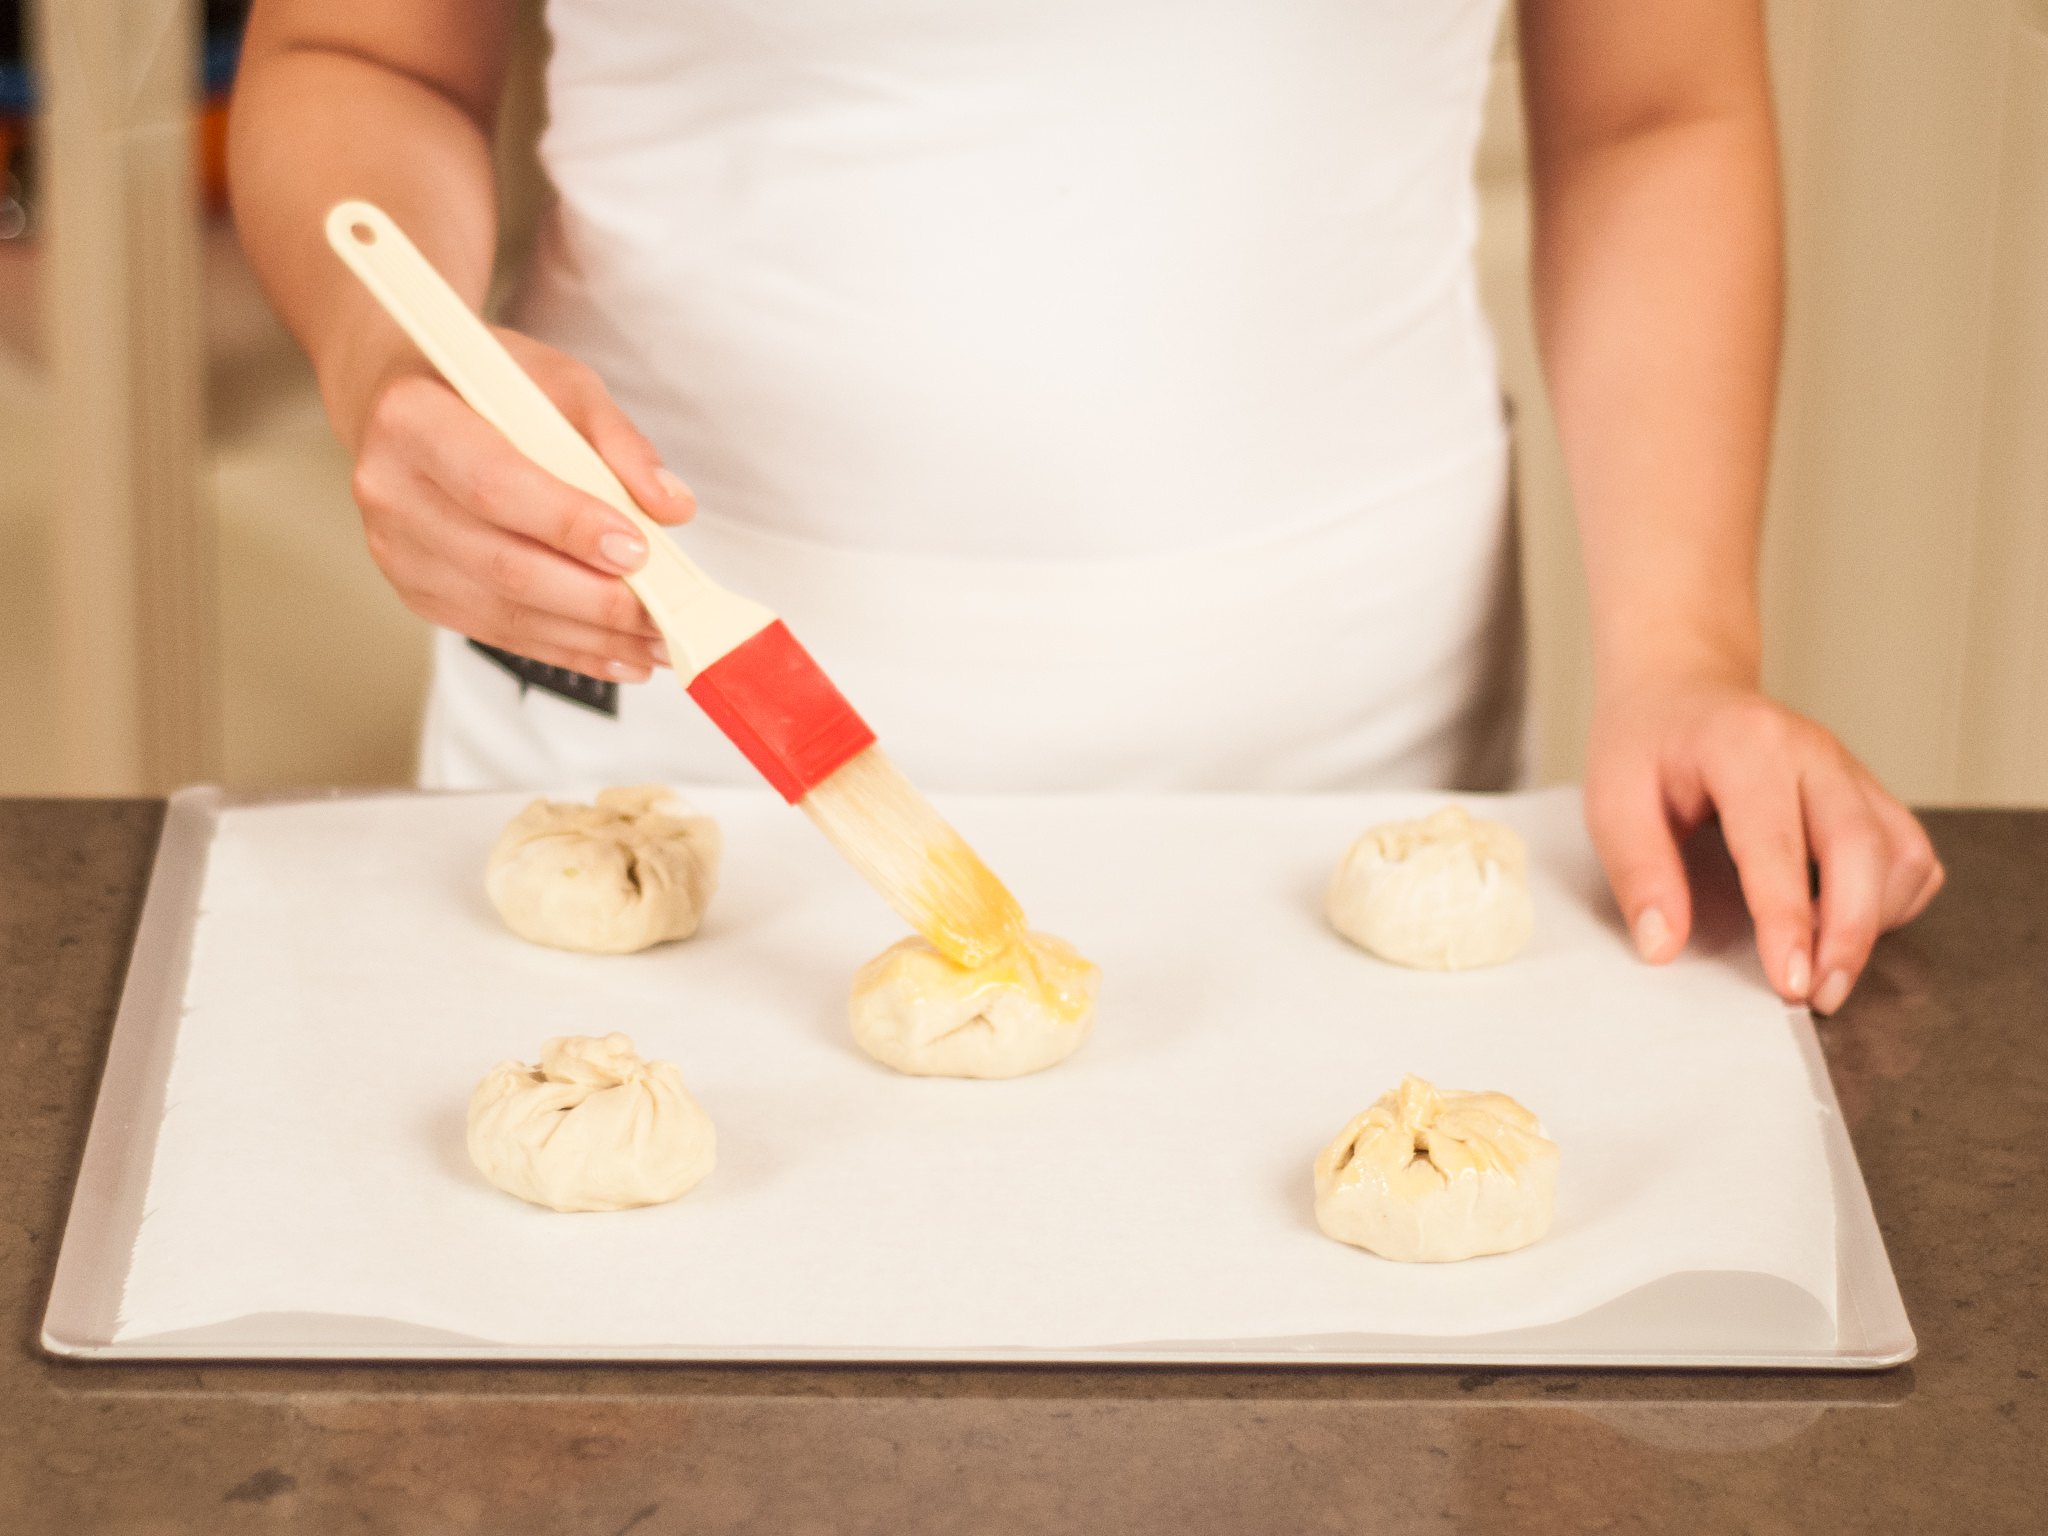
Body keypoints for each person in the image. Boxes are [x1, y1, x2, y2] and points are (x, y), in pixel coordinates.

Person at [229, 0, 1941, 1015]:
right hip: (644, 752)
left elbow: (1654, 108)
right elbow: (364, 48)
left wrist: (1686, 643)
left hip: (1353, 789)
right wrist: (396, 354)